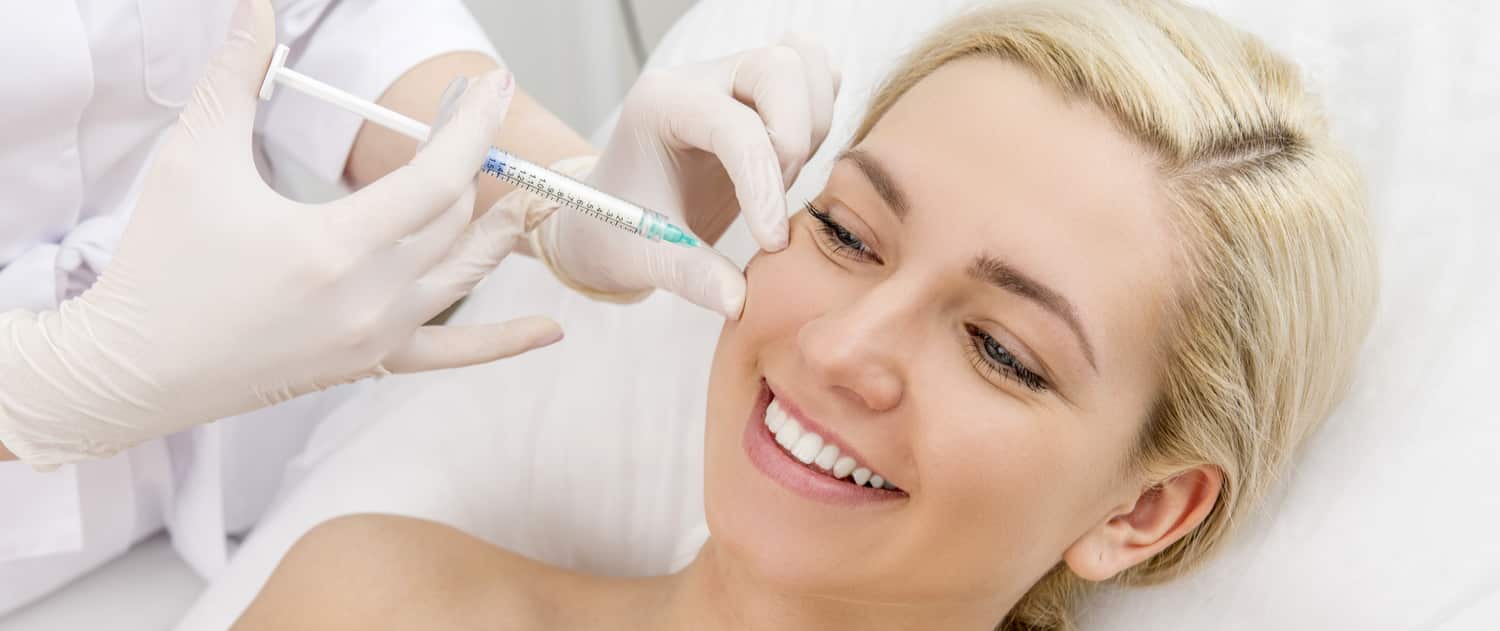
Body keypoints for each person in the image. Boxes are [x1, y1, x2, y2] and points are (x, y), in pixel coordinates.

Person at [229, 0, 1380, 629]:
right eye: (845, 233)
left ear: (1147, 508)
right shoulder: (379, 598)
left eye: (997, 349)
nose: (839, 348)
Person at [0, 0, 838, 614]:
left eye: (980, 341)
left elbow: (320, 22)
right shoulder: (363, 579)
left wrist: (566, 191)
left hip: (251, 465)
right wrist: (36, 392)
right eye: (854, 238)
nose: (853, 356)